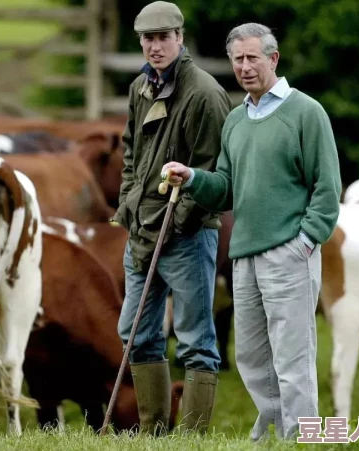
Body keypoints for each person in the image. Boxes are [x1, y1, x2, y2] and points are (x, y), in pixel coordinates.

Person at [161, 23, 342, 441]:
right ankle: (274, 429)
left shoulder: (306, 112)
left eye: (252, 58)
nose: (244, 67)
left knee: (293, 356)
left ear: (273, 59)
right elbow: (225, 190)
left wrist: (305, 242)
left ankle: (301, 437)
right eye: (237, 59)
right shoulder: (236, 121)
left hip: (289, 252)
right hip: (244, 256)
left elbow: (327, 187)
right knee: (252, 356)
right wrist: (191, 178)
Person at [110, 1, 232, 435]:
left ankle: (194, 436)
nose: (155, 46)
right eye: (148, 38)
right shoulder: (139, 88)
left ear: (180, 38)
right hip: (142, 230)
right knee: (136, 333)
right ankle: (153, 431)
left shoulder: (204, 93)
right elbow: (131, 154)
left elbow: (215, 174)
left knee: (196, 340)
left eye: (163, 37)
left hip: (188, 234)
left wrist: (176, 222)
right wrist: (129, 201)